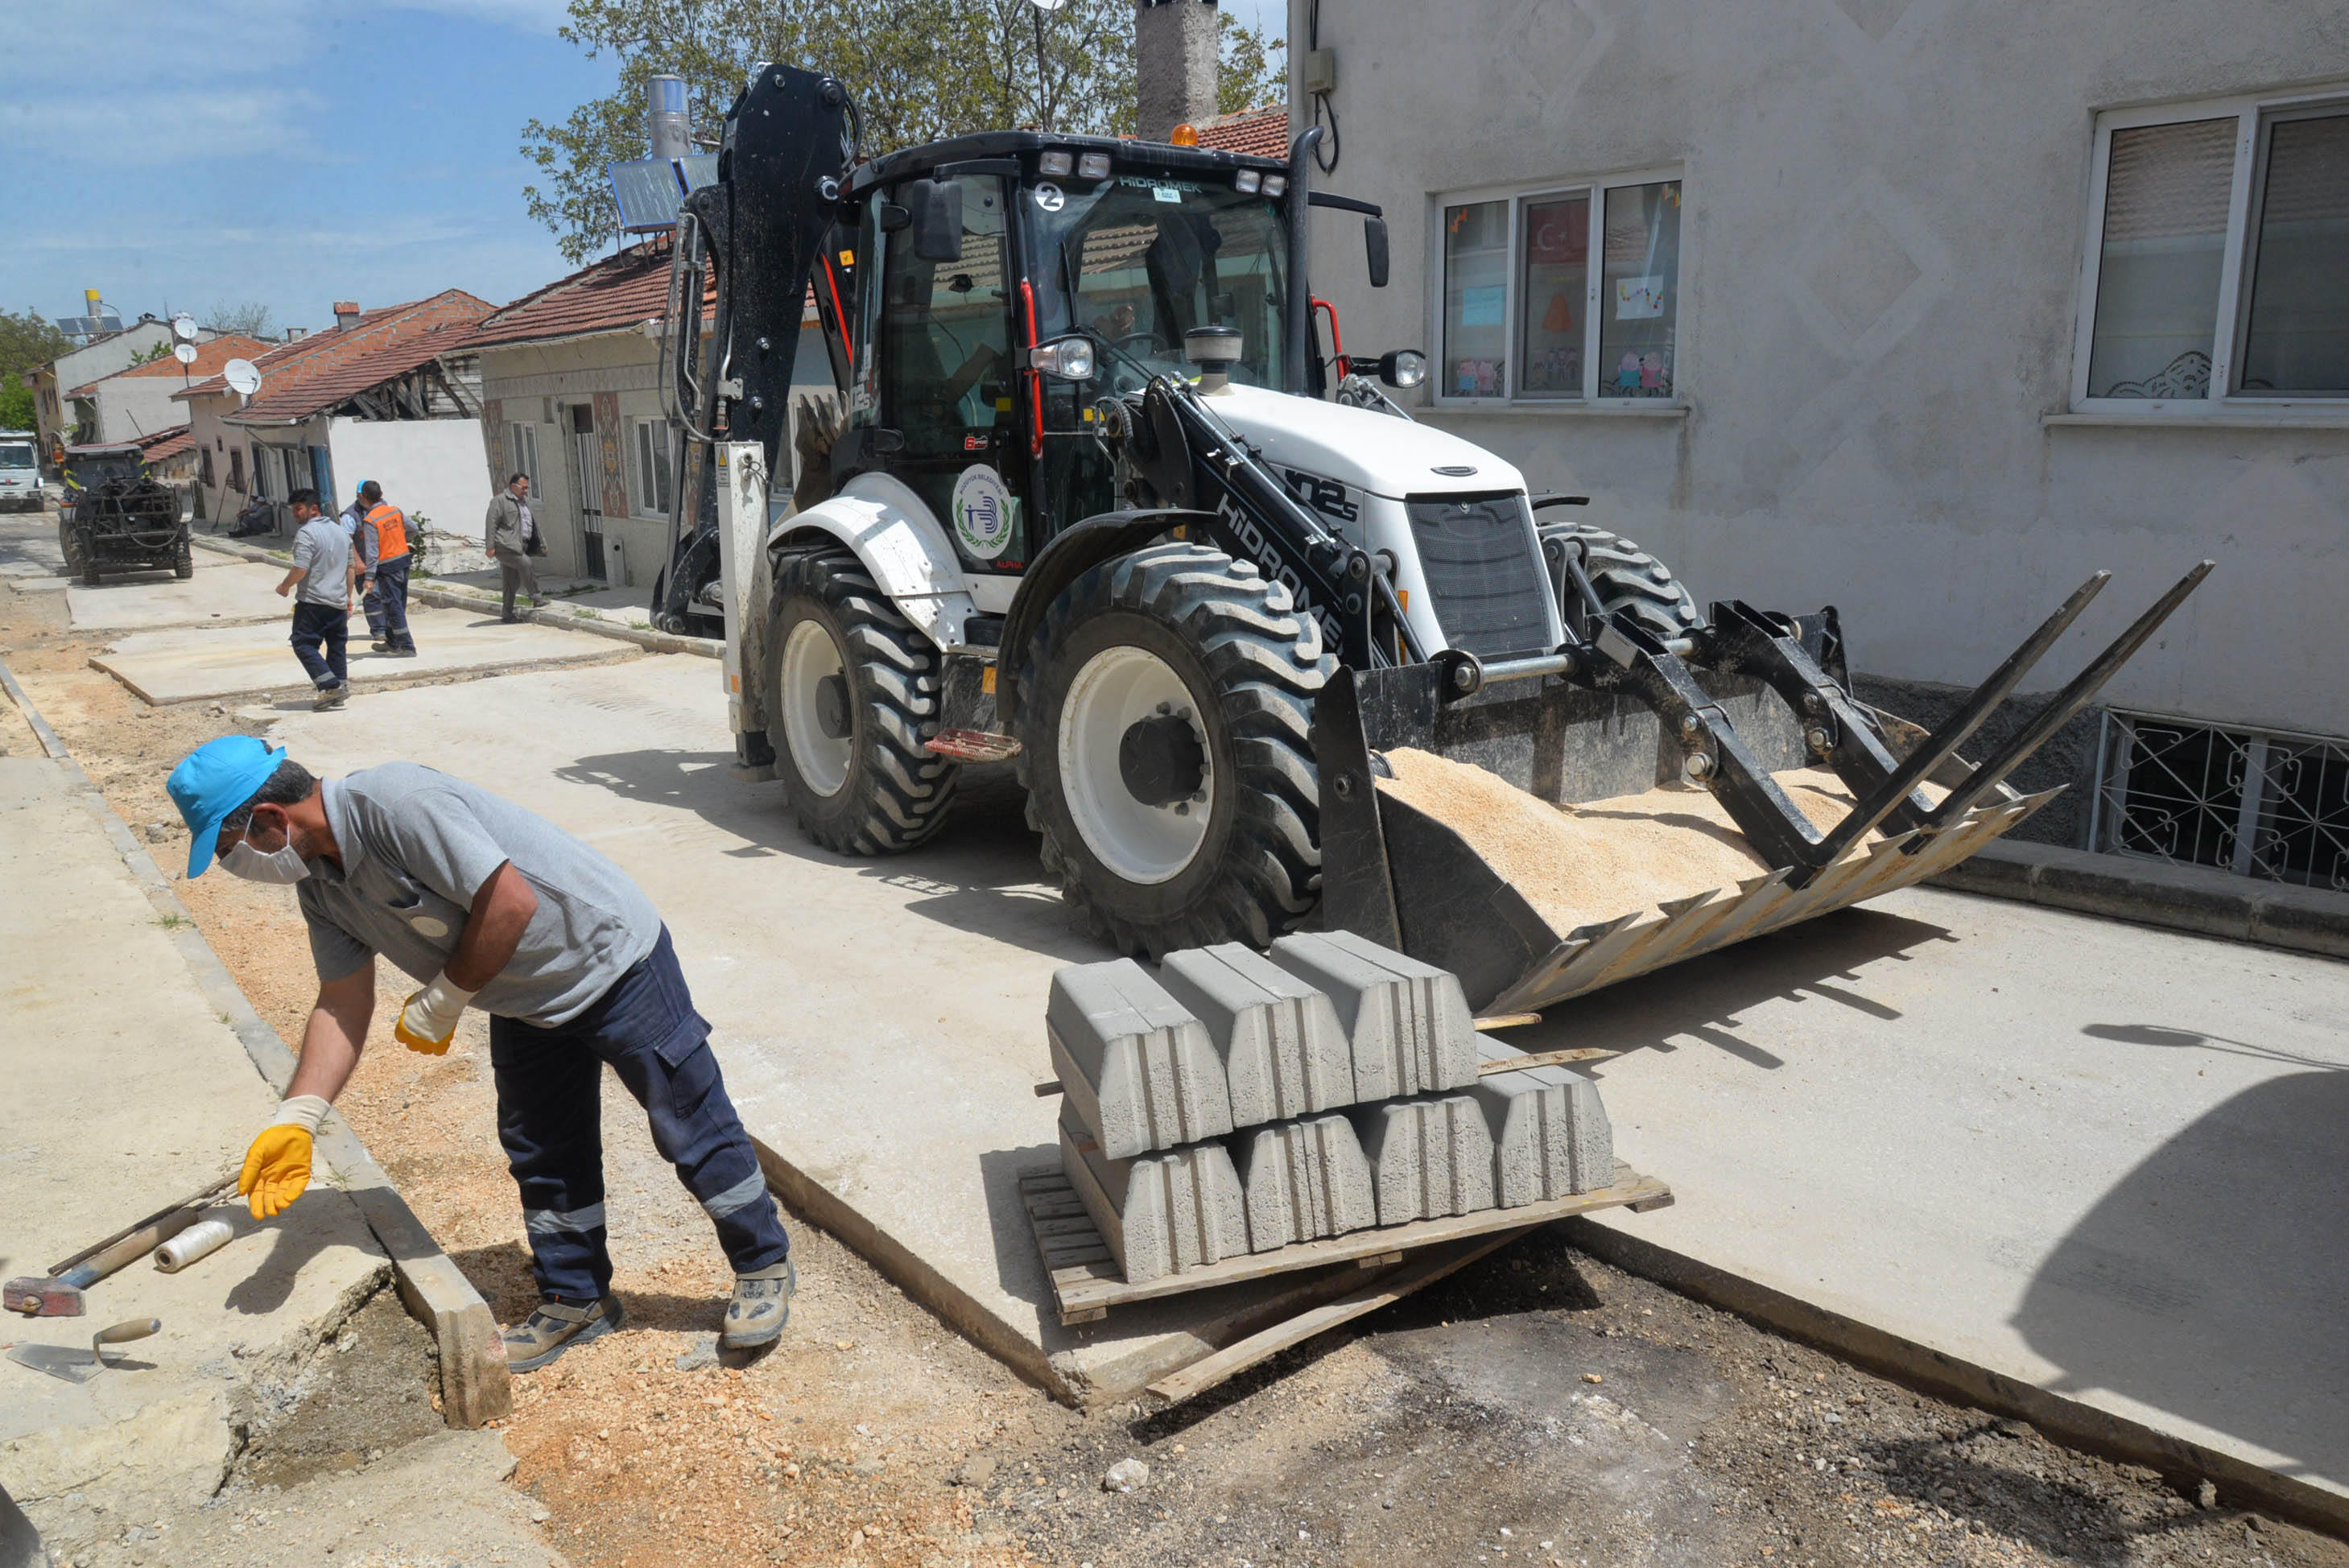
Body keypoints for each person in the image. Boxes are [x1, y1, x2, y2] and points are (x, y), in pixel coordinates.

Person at [164, 737, 795, 1371]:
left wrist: (444, 997)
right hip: (521, 996)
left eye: (228, 849)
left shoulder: (398, 803)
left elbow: (512, 902)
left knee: (687, 1120)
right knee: (542, 1146)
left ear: (271, 819)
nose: (235, 867)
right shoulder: (322, 888)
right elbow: (341, 1002)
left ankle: (762, 1266)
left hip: (608, 957)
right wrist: (298, 1115)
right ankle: (577, 1300)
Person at [275, 489, 355, 712]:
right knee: (336, 645)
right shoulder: (340, 532)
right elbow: (350, 568)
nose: (295, 514)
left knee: (303, 643)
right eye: (293, 510)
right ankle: (339, 689)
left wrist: (285, 586)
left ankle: (330, 686)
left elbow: (301, 567)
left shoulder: (307, 534)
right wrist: (348, 596)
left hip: (313, 602)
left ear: (313, 509)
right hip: (337, 602)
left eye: (298, 509)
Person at [357, 481, 417, 657]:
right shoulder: (395, 511)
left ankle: (406, 646)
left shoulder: (370, 520)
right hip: (403, 563)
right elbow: (414, 528)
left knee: (393, 607)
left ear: (363, 497)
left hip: (388, 567)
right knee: (397, 604)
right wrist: (399, 538)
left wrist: (369, 577)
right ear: (381, 494)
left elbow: (372, 552)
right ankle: (392, 642)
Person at [483, 472, 548, 624]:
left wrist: (543, 543)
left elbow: (533, 523)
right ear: (513, 486)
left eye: (527, 488)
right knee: (525, 563)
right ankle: (536, 597)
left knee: (511, 582)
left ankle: (507, 615)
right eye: (524, 488)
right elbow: (491, 524)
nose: (526, 491)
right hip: (505, 545)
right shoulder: (499, 501)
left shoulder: (525, 502)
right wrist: (490, 546)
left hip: (521, 544)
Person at [341, 484, 386, 642]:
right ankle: (379, 629)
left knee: (387, 595)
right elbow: (346, 541)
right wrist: (357, 561)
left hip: (383, 561)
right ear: (360, 496)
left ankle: (391, 628)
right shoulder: (350, 516)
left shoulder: (383, 508)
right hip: (364, 564)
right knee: (371, 596)